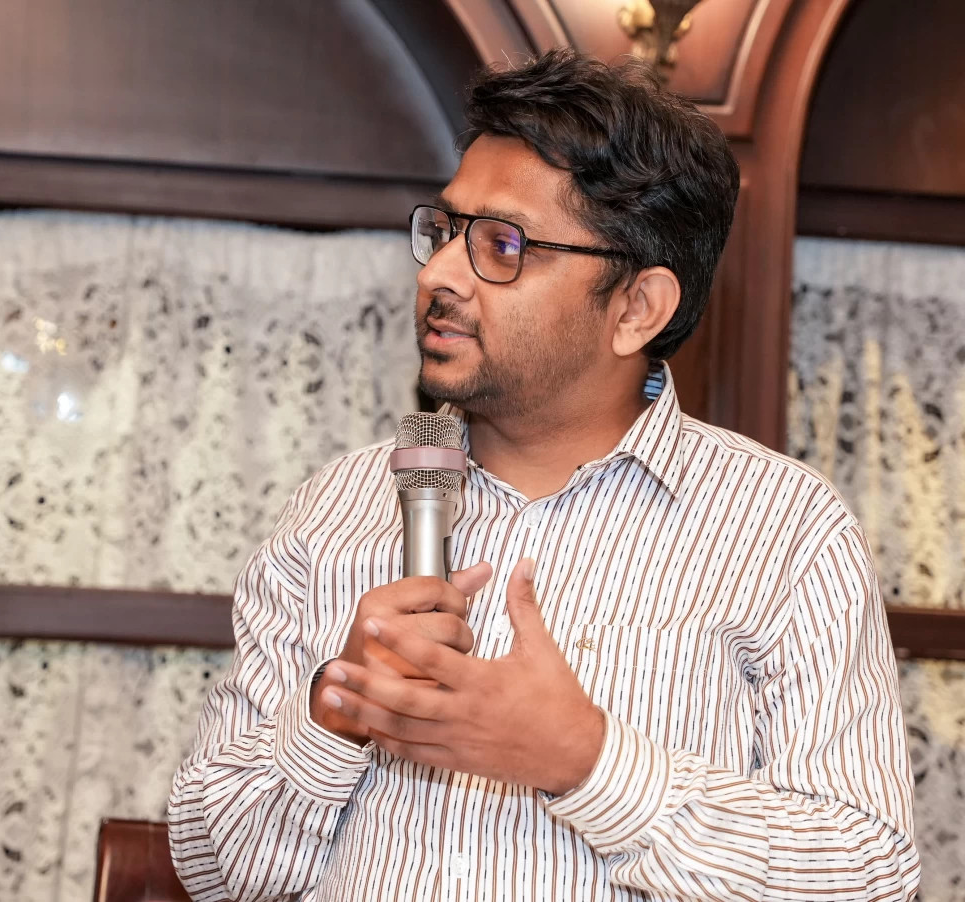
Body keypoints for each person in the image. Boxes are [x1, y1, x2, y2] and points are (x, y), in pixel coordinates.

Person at [168, 49, 920, 901]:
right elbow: (212, 870)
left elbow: (868, 875)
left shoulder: (784, 530)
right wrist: (334, 713)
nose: (438, 275)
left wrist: (588, 763)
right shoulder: (337, 507)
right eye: (445, 231)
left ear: (636, 308)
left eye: (501, 244)